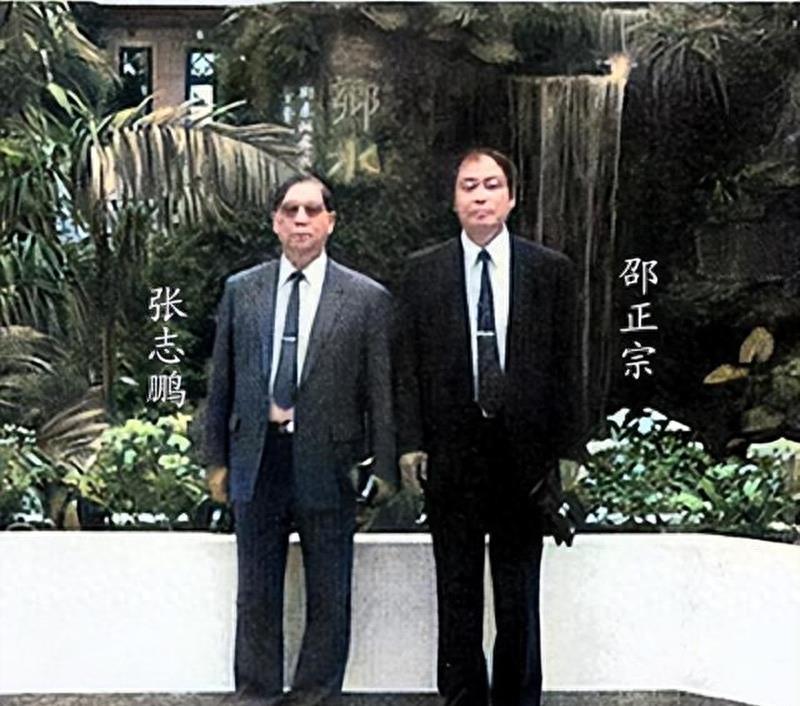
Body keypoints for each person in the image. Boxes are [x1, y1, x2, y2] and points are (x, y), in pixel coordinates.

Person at [394, 148, 583, 706]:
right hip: (452, 455)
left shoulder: (549, 271)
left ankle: (519, 700)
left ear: (512, 197)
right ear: (454, 200)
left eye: (492, 184)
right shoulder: (422, 272)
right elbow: (407, 366)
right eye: (469, 185)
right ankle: (461, 699)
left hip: (524, 457)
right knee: (456, 593)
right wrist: (411, 443)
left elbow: (568, 364)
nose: (480, 195)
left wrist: (570, 448)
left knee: (518, 595)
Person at [205, 173, 396, 705]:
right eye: (290, 210)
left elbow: (381, 391)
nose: (301, 220)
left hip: (328, 460)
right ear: (275, 222)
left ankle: (315, 695)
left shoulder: (365, 299)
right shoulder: (242, 290)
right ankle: (256, 694)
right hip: (257, 456)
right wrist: (215, 459)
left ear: (331, 221)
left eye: (312, 210)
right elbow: (221, 382)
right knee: (255, 590)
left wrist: (384, 468)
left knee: (329, 592)